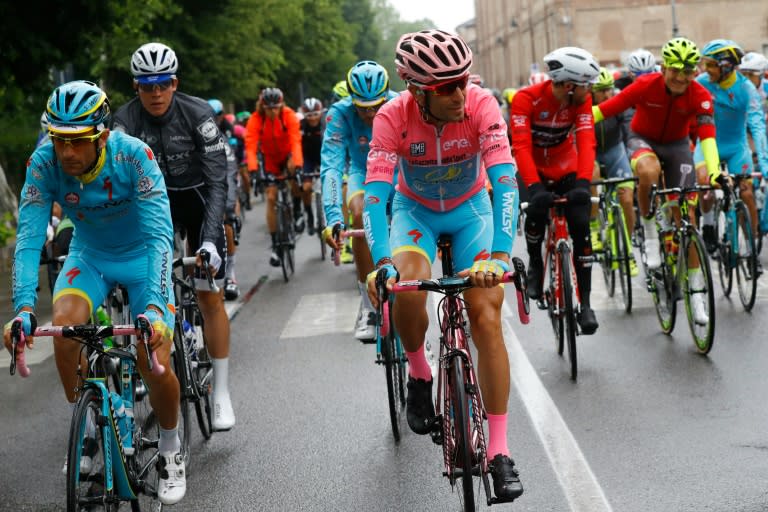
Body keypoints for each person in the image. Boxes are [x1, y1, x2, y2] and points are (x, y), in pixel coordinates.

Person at [4, 81, 185, 504]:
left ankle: (171, 450)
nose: (66, 153)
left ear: (102, 135)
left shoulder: (134, 156)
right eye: (59, 141)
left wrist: (157, 307)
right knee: (65, 327)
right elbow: (29, 240)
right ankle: (87, 422)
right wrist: (23, 309)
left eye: (77, 142)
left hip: (143, 255)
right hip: (90, 254)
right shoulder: (42, 162)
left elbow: (161, 235)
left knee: (150, 353)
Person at [364, 29, 523, 501]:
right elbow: (375, 198)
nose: (459, 94)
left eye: (462, 82)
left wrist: (497, 255)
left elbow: (506, 183)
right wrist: (382, 264)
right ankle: (419, 372)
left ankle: (499, 451)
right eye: (445, 88)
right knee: (406, 289)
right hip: (415, 215)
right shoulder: (392, 116)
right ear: (416, 90)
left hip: (471, 211)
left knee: (487, 315)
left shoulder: (481, 105)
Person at [112, 42, 236, 431]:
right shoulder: (124, 122)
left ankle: (221, 391)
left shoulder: (198, 114)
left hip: (198, 201)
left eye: (162, 84)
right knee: (151, 286)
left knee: (207, 292)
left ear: (174, 83)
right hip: (152, 208)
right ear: (136, 87)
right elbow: (116, 186)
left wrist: (212, 241)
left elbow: (218, 182)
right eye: (147, 86)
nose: (155, 94)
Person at [593, 37, 723, 325]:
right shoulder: (644, 85)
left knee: (686, 219)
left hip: (678, 147)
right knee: (648, 172)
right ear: (664, 67)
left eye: (689, 71)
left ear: (696, 71)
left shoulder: (700, 95)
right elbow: (606, 109)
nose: (681, 77)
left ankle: (697, 293)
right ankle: (650, 232)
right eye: (676, 69)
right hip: (643, 139)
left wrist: (713, 173)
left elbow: (708, 138)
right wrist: (573, 125)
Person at [510, 46, 601, 334]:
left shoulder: (580, 103)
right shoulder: (526, 99)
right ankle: (536, 264)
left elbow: (586, 142)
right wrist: (535, 187)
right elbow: (521, 147)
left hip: (565, 168)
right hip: (532, 170)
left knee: (580, 223)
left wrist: (584, 183)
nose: (592, 92)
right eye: (588, 85)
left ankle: (585, 304)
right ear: (570, 85)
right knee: (535, 213)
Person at [321, 61, 397, 342]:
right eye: (362, 107)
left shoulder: (402, 104)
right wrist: (332, 218)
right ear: (349, 99)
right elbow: (330, 168)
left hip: (399, 171)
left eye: (377, 106)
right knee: (359, 213)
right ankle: (368, 307)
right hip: (363, 172)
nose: (370, 113)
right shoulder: (339, 114)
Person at [694, 40, 768, 273]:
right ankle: (708, 226)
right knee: (705, 183)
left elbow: (756, 125)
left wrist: (764, 161)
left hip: (736, 147)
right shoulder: (701, 83)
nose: (706, 69)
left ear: (726, 67)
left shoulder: (746, 89)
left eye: (711, 65)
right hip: (708, 144)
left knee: (746, 192)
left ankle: (752, 250)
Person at [244, 87, 305, 265]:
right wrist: (253, 170)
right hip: (270, 159)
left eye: (276, 107)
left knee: (294, 169)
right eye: (269, 108)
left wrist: (299, 166)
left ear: (281, 105)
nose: (272, 111)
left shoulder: (289, 115)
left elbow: (295, 142)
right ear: (262, 106)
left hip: (287, 156)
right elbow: (250, 146)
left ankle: (297, 209)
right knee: (271, 197)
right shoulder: (256, 119)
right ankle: (276, 245)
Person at [590, 67, 639, 276]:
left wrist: (634, 153)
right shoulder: (584, 106)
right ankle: (593, 226)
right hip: (591, 152)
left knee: (626, 198)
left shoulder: (618, 103)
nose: (607, 95)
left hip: (614, 150)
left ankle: (627, 249)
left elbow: (630, 130)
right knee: (592, 178)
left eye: (609, 89)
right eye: (601, 90)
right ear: (592, 91)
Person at [208, 98, 242, 300]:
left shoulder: (222, 137)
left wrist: (228, 207)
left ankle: (230, 276)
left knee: (225, 221)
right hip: (197, 188)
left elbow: (229, 171)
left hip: (221, 182)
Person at [299, 97, 325, 235]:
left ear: (320, 113)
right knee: (306, 187)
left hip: (324, 157)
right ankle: (309, 215)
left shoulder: (325, 124)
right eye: (309, 115)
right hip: (308, 158)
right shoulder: (301, 126)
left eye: (315, 114)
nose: (313, 118)